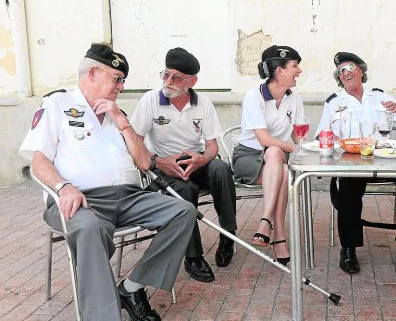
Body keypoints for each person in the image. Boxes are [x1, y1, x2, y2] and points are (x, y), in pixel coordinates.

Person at [19, 44, 196, 321]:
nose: (121, 87)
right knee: (90, 228)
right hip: (80, 201)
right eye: (117, 79)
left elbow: (142, 161)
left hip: (127, 197)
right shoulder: (57, 104)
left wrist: (121, 121)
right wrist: (63, 187)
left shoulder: (117, 113)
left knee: (183, 211)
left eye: (123, 80)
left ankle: (131, 287)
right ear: (93, 73)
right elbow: (39, 161)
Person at [130, 48, 237, 283]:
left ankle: (228, 235)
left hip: (195, 161)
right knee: (184, 190)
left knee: (221, 169)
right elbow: (134, 142)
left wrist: (202, 159)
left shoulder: (203, 103)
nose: (168, 82)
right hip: (163, 165)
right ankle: (193, 257)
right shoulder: (150, 100)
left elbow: (212, 146)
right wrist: (157, 161)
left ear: (192, 81)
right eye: (165, 74)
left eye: (176, 77)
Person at [314, 51, 396, 274]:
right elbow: (322, 135)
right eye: (341, 71)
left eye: (350, 68)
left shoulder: (381, 97)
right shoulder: (334, 103)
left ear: (361, 70)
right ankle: (349, 249)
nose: (346, 73)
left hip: (385, 159)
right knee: (349, 187)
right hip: (352, 161)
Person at [232, 45, 304, 266]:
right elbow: (264, 140)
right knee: (277, 160)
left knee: (277, 160)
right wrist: (297, 150)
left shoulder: (295, 98)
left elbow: (298, 134)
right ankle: (279, 235)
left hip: (277, 159)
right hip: (248, 156)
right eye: (294, 66)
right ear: (279, 71)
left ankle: (266, 224)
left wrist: (310, 146)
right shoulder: (254, 96)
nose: (299, 70)